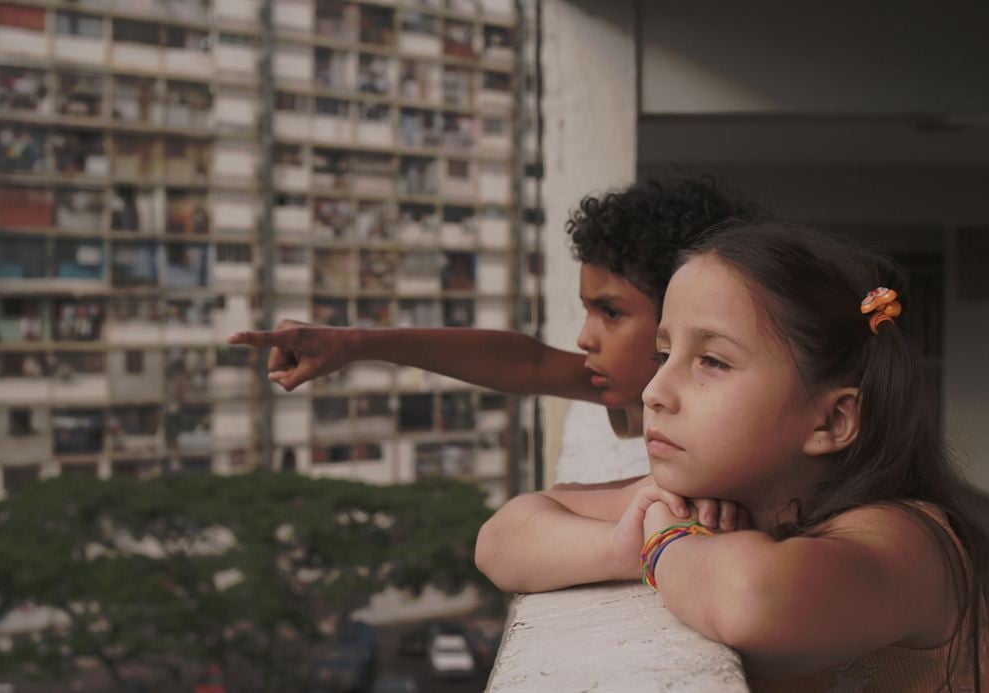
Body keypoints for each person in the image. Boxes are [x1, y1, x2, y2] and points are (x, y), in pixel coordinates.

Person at [477, 222, 989, 691]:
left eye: (711, 361)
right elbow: (501, 539)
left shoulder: (908, 541)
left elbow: (750, 596)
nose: (654, 390)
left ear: (831, 421)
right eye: (663, 355)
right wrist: (620, 549)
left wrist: (660, 537)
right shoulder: (718, 495)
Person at [229, 175, 765, 526]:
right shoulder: (658, 392)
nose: (585, 338)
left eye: (612, 312)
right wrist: (353, 344)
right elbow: (528, 363)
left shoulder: (745, 428)